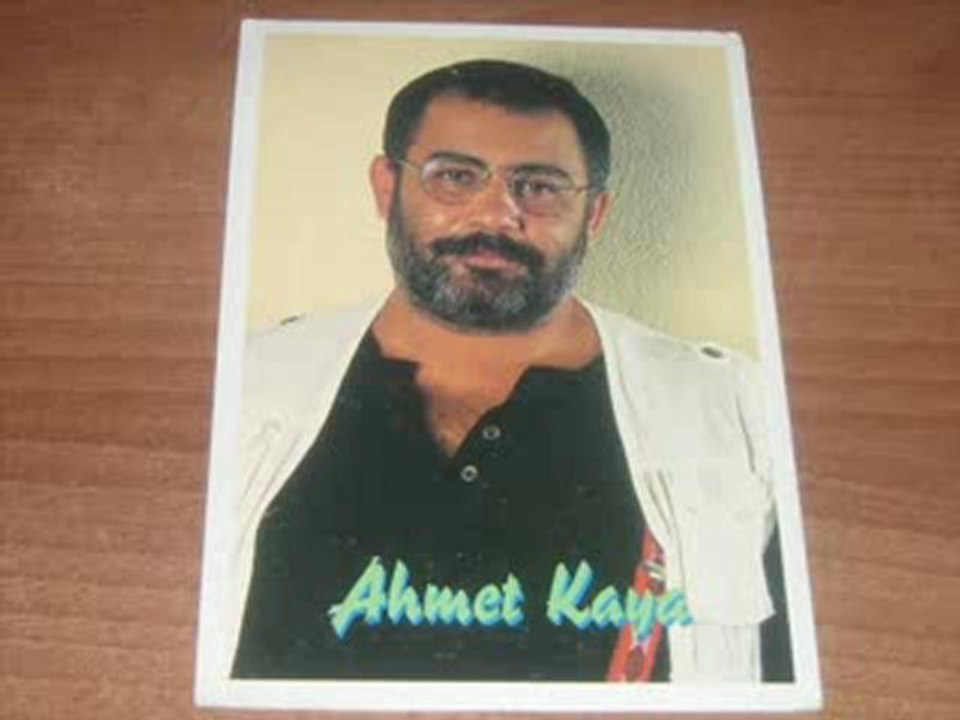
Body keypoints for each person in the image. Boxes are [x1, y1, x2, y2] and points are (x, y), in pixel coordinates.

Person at [227, 59, 793, 683]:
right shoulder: (241, 386)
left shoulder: (735, 411)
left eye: (540, 186)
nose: (496, 214)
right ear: (386, 188)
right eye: (455, 176)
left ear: (595, 213)